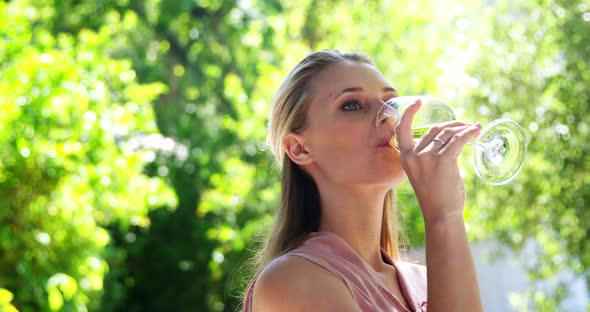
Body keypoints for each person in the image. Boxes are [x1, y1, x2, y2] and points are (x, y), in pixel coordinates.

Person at [243, 49, 483, 311]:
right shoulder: (291, 280)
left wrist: (446, 215)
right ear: (300, 148)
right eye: (352, 105)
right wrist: (442, 215)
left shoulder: (425, 281)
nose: (389, 117)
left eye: (391, 102)